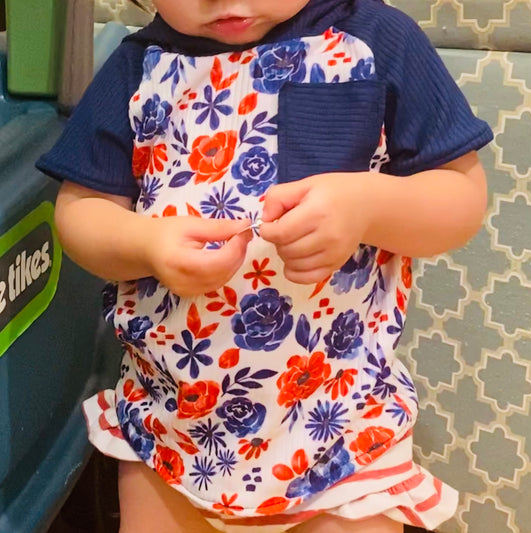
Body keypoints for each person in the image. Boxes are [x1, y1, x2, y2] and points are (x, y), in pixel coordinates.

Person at [37, 0, 493, 532]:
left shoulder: (377, 41)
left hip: (345, 432)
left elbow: (460, 200)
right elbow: (79, 211)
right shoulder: (140, 66)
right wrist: (143, 242)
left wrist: (369, 205)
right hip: (170, 431)